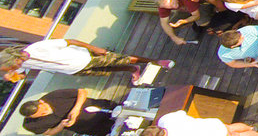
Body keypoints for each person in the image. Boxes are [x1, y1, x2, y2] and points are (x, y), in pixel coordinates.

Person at [0, 39, 171, 84]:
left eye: (10, 66)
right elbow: (22, 76)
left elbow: (71, 41)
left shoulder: (37, 48)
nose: (13, 69)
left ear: (14, 59)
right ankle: (132, 70)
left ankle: (156, 61)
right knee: (109, 70)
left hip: (85, 57)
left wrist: (95, 48)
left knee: (121, 58)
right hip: (74, 69)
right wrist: (12, 77)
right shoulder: (24, 64)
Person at [155, 0, 238, 44]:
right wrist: (174, 38)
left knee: (204, 23)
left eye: (172, 3)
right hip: (187, 10)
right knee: (171, 24)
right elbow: (164, 23)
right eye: (169, 7)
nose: (172, 6)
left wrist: (184, 21)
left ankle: (206, 19)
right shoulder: (163, 5)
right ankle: (194, 24)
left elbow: (196, 15)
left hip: (198, 7)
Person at [19, 88, 117, 136]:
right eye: (41, 115)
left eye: (43, 110)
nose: (45, 113)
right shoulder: (30, 125)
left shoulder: (52, 96)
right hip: (91, 127)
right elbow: (48, 132)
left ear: (41, 102)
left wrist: (76, 108)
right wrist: (61, 126)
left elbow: (81, 91)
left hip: (101, 109)